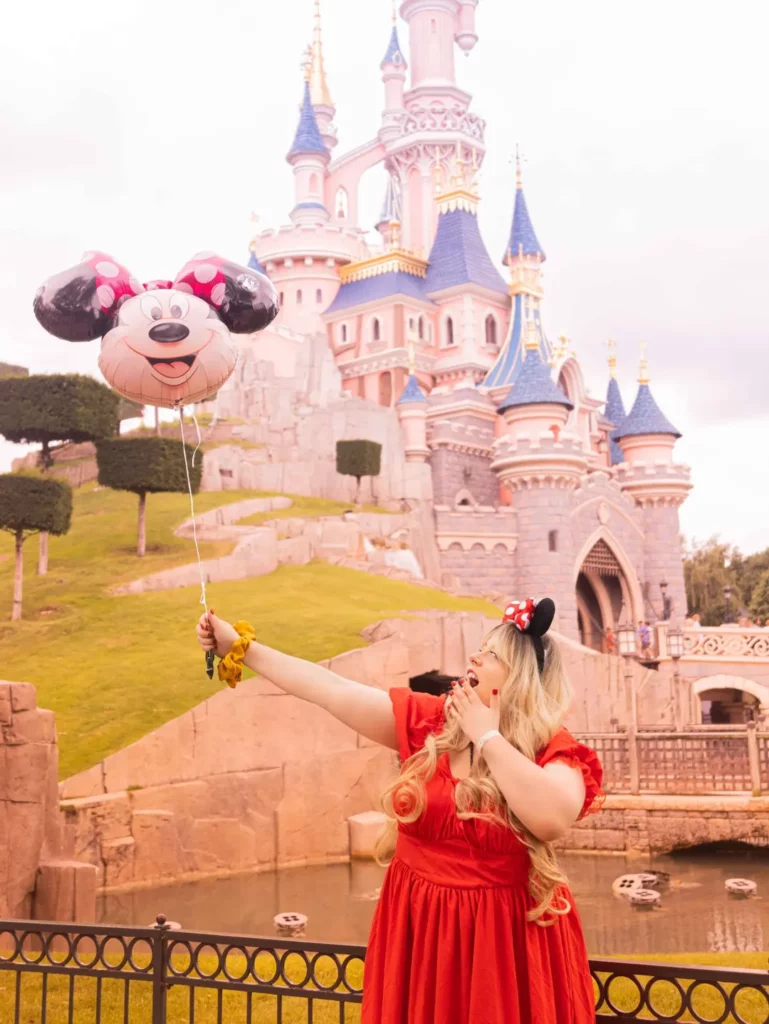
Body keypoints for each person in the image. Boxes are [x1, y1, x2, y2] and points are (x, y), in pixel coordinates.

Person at [197, 597, 603, 1023]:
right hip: (418, 929)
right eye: (480, 648)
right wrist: (238, 647)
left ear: (518, 678)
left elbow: (553, 818)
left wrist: (487, 738)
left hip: (502, 945)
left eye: (491, 655)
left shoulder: (552, 748)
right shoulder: (433, 723)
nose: (474, 657)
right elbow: (331, 690)